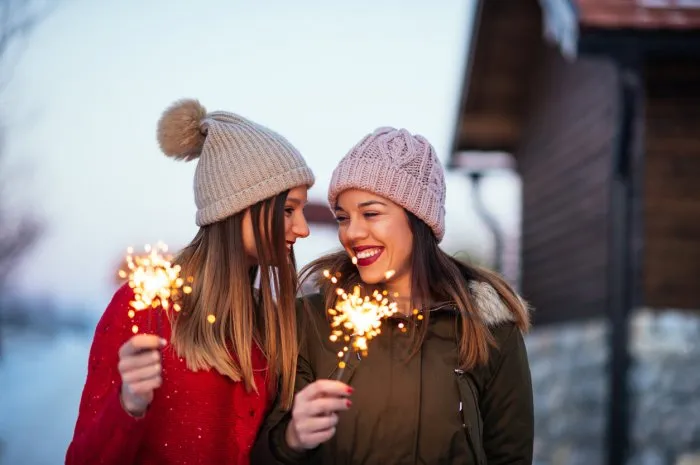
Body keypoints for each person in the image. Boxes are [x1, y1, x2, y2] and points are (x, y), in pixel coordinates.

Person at [254, 127, 533, 464]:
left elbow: (510, 455)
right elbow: (260, 451)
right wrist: (290, 439)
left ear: (418, 218)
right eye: (343, 218)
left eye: (371, 214)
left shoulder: (488, 328)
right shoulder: (309, 321)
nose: (352, 233)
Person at [66, 98, 315, 465]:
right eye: (289, 210)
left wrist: (293, 438)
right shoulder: (146, 307)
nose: (304, 229)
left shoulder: (271, 321)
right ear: (238, 206)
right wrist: (129, 404)